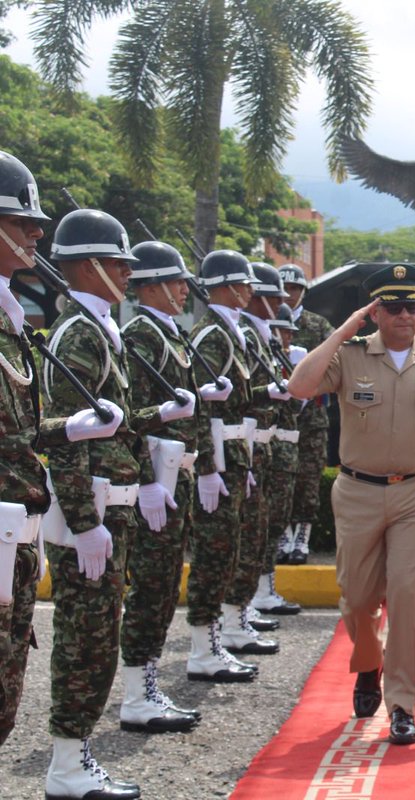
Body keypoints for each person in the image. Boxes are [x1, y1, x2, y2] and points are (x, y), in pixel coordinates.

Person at [288, 264, 415, 746]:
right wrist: (345, 328)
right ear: (375, 312)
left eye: (411, 306)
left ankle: (402, 705)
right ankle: (368, 664)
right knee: (356, 599)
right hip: (357, 492)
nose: (403, 316)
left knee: (409, 599)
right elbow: (300, 385)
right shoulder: (350, 355)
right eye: (391, 307)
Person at [42, 209, 197, 799]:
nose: (127, 273)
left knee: (100, 635)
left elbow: (112, 425)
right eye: (117, 263)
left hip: (119, 500)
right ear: (87, 266)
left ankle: (75, 759)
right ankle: (67, 764)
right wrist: (84, 523)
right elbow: (65, 438)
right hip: (97, 507)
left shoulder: (100, 327)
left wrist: (159, 417)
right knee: (84, 638)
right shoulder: (79, 333)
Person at [0, 152, 122, 750]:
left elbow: (18, 431)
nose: (36, 235)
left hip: (14, 534)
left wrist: (64, 430)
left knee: (4, 702)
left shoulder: (14, 321)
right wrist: (81, 515)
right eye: (22, 222)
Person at [119, 240, 221, 734]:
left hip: (174, 471)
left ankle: (146, 684)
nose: (185, 289)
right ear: (153, 285)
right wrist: (145, 483)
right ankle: (137, 692)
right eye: (177, 281)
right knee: (151, 586)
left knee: (162, 587)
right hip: (156, 475)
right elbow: (132, 418)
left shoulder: (167, 332)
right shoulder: (141, 333)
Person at [187, 250, 261, 683]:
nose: (250, 291)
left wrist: (242, 461)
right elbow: (201, 409)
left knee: (228, 551)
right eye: (244, 283)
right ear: (227, 286)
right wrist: (208, 467)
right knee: (213, 554)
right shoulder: (211, 335)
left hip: (234, 455)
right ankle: (202, 646)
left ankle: (213, 640)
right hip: (217, 456)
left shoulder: (231, 330)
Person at [218, 262, 290, 657]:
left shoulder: (255, 334)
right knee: (236, 542)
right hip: (238, 447)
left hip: (257, 446)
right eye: (273, 296)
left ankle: (238, 616)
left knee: (256, 535)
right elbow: (235, 397)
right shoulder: (230, 333)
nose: (279, 303)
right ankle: (228, 624)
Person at [278, 264, 333, 566]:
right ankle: (283, 535)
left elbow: (337, 360)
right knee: (279, 479)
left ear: (303, 291)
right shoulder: (266, 322)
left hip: (311, 417)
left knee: (309, 479)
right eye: (284, 289)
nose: (289, 295)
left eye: (295, 289)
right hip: (276, 418)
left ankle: (303, 538)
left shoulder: (317, 325)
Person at [254, 302, 305, 616]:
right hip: (269, 447)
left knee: (277, 521)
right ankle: (256, 593)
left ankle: (264, 588)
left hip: (286, 446)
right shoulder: (265, 360)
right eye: (281, 330)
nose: (286, 336)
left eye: (289, 331)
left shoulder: (287, 359)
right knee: (264, 523)